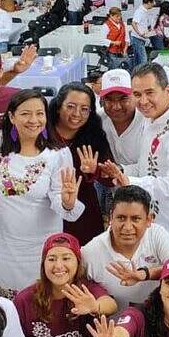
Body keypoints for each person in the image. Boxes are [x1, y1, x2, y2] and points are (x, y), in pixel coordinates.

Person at [0, 89, 84, 294]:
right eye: (25, 114)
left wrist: (68, 202)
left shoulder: (58, 154)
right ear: (11, 117)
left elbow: (63, 204)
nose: (34, 120)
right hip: (4, 250)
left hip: (42, 251)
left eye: (40, 113)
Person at [98, 63, 169, 258]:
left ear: (167, 90)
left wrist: (130, 182)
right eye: (137, 94)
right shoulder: (154, 117)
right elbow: (149, 166)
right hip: (159, 225)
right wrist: (120, 170)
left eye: (150, 92)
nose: (143, 101)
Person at [81, 185, 169, 309]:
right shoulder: (89, 252)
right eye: (121, 218)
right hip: (112, 325)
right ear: (111, 217)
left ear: (149, 219)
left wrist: (145, 274)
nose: (128, 227)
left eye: (135, 219)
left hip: (157, 323)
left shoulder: (156, 234)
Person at [49, 83, 115, 243]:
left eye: (84, 109)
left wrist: (95, 171)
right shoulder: (44, 132)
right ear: (58, 106)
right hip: (46, 211)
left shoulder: (94, 136)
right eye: (70, 106)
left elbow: (111, 178)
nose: (77, 114)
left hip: (83, 212)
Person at [98, 69, 148, 167]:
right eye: (109, 99)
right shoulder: (98, 120)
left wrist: (119, 172)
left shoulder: (147, 122)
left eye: (123, 98)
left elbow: (150, 167)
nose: (116, 107)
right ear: (102, 101)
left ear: (134, 96)